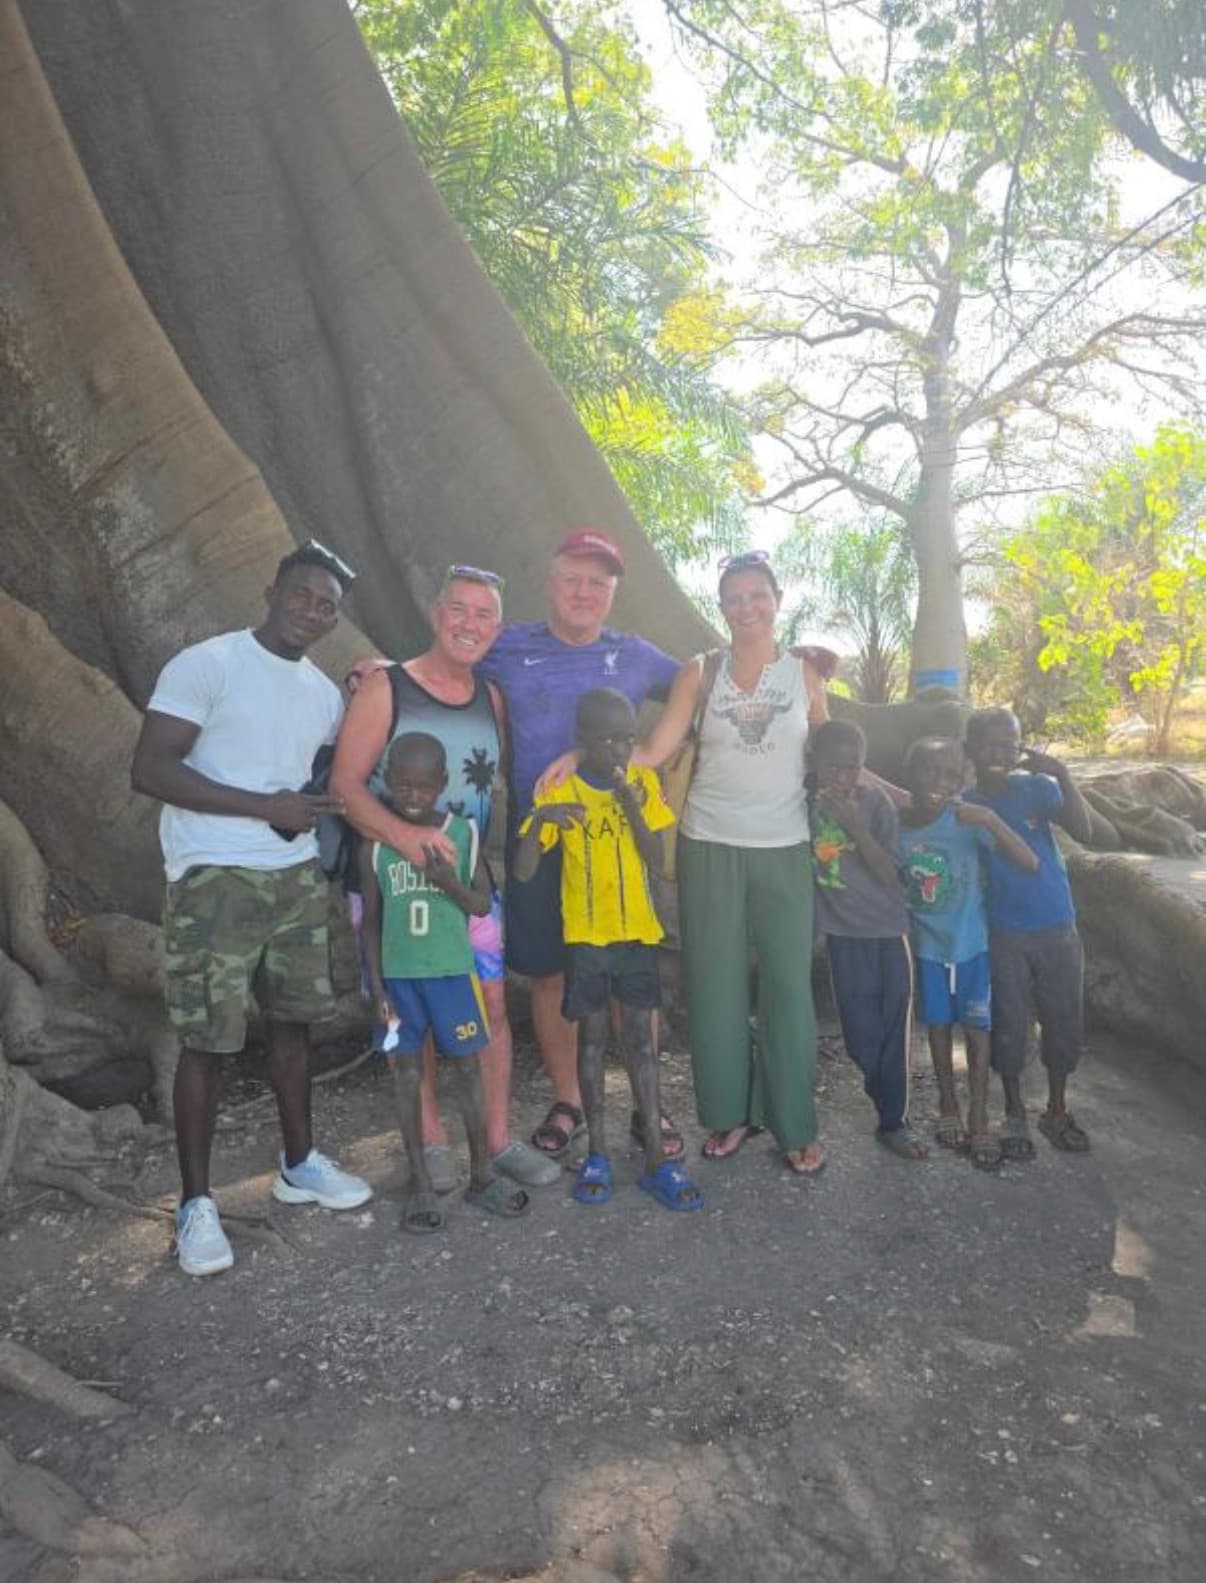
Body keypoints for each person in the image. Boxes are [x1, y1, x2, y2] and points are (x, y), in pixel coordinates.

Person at [131, 541, 373, 1278]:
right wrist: (260, 804)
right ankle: (196, 1203)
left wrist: (373, 686)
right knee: (207, 1041)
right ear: (271, 589)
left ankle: (299, 1163)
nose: (312, 611)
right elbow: (150, 767)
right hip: (214, 877)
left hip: (294, 878)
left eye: (327, 605)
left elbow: (325, 770)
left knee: (295, 1027)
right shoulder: (209, 663)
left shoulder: (321, 695)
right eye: (302, 594)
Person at [329, 567, 558, 1192]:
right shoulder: (387, 688)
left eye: (484, 615)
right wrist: (408, 840)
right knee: (412, 1012)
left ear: (497, 630)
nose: (469, 624)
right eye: (458, 609)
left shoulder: (493, 698)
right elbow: (344, 787)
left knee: (489, 1006)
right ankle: (430, 1143)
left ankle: (497, 1139)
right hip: (393, 888)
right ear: (435, 614)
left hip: (471, 890)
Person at [479, 528, 684, 1163]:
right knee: (549, 973)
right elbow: (444, 662)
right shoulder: (510, 646)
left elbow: (699, 683)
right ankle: (568, 1098)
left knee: (629, 974)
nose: (584, 591)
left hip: (617, 836)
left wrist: (648, 755)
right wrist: (373, 670)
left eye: (598, 581)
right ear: (549, 581)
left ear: (614, 592)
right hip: (541, 831)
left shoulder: (636, 655)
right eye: (573, 577)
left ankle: (650, 1106)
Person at [631, 550, 829, 1176]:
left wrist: (898, 800)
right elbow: (657, 749)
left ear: (776, 600)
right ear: (721, 608)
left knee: (789, 988)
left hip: (786, 847)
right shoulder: (701, 671)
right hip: (709, 843)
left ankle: (794, 1123)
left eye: (757, 595)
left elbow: (831, 756)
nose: (746, 607)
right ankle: (728, 1114)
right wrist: (582, 766)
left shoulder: (804, 674)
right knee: (713, 984)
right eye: (734, 598)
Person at [515, 691, 703, 1210]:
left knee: (642, 1042)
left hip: (637, 937)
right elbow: (526, 868)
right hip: (586, 941)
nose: (620, 749)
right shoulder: (564, 788)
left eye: (627, 738)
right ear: (582, 742)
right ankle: (596, 1151)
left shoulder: (642, 783)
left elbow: (654, 855)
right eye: (607, 739)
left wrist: (630, 805)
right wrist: (545, 818)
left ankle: (655, 1163)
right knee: (592, 1043)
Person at [360, 733, 529, 1232]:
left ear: (441, 784)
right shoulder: (376, 845)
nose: (412, 796)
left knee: (468, 1072)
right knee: (407, 1076)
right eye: (402, 786)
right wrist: (376, 987)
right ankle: (420, 1183)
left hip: (454, 978)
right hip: (399, 983)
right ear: (388, 784)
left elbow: (479, 903)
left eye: (422, 786)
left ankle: (481, 1174)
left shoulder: (464, 834)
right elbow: (368, 921)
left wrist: (447, 881)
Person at [897, 736, 1038, 1170]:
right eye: (931, 772)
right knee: (938, 1029)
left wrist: (992, 820)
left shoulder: (967, 821)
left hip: (972, 950)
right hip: (928, 953)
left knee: (978, 1031)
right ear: (911, 774)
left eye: (953, 776)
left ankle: (979, 1114)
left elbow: (1029, 861)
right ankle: (947, 1105)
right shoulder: (899, 828)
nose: (941, 782)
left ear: (964, 781)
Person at [964, 708, 1095, 1157]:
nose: (1001, 752)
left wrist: (1062, 773)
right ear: (969, 750)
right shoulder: (966, 806)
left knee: (1063, 1019)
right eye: (990, 744)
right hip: (1003, 931)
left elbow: (1086, 829)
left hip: (1057, 923)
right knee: (1010, 1021)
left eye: (1010, 743)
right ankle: (1014, 1111)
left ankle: (1057, 1109)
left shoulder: (1038, 790)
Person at [809, 719, 926, 1161]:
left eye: (852, 768)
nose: (842, 778)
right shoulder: (804, 804)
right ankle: (884, 1091)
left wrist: (855, 826)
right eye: (832, 768)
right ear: (814, 763)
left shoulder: (875, 804)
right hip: (843, 934)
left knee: (895, 1030)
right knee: (860, 1036)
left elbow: (890, 875)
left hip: (888, 931)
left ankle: (894, 1120)